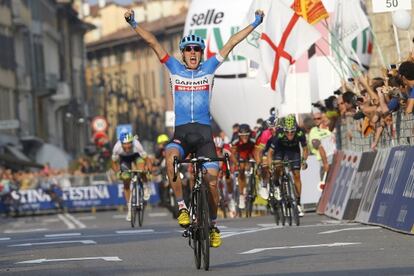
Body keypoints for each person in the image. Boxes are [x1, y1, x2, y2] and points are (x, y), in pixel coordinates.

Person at [124, 8, 265, 248]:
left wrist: (256, 22)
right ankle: (182, 207)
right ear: (183, 53)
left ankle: (211, 223)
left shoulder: (209, 67)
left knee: (212, 182)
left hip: (204, 136)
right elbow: (153, 43)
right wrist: (133, 23)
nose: (192, 53)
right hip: (181, 134)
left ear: (201, 53)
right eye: (188, 49)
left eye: (196, 50)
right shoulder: (174, 69)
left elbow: (231, 42)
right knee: (171, 157)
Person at [267, 114, 308, 217]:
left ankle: (298, 202)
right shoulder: (279, 134)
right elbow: (270, 153)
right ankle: (276, 184)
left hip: (294, 151)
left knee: (297, 175)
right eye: (287, 132)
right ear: (283, 130)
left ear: (296, 129)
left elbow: (305, 149)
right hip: (280, 150)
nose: (290, 134)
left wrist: (303, 160)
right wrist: (270, 165)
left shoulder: (299, 132)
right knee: (278, 166)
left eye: (292, 132)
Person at [112, 131, 151, 221]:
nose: (127, 147)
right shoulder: (116, 148)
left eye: (129, 144)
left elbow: (147, 159)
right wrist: (117, 172)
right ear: (121, 143)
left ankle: (145, 187)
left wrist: (148, 169)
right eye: (125, 145)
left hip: (137, 156)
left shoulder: (137, 145)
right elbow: (114, 163)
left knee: (141, 170)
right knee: (126, 179)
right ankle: (129, 208)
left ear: (132, 142)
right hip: (124, 159)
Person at [230, 124, 258, 210]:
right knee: (241, 170)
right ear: (239, 135)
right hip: (241, 152)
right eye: (242, 136)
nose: (245, 137)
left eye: (246, 135)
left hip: (251, 150)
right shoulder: (235, 139)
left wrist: (258, 162)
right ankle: (241, 196)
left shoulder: (253, 137)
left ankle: (257, 184)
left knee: (259, 165)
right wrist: (237, 164)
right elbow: (233, 155)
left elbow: (257, 150)